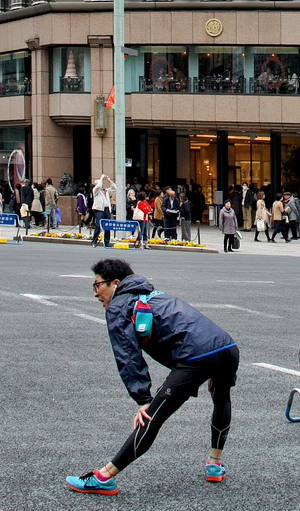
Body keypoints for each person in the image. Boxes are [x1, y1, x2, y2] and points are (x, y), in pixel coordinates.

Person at [66, 259, 239, 495]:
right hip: (226, 347)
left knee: (151, 416)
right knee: (221, 398)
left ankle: (104, 477)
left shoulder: (119, 306)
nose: (95, 294)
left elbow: (128, 356)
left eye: (97, 286)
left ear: (115, 284)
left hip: (197, 356)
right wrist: (212, 365)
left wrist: (142, 399)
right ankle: (214, 464)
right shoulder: (153, 293)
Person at [92, 174, 115, 248]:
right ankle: (94, 241)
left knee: (107, 226)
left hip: (106, 209)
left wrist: (109, 180)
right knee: (98, 225)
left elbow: (115, 188)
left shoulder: (106, 191)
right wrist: (101, 178)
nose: (101, 184)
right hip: (99, 209)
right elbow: (98, 186)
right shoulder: (95, 191)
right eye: (100, 183)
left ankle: (107, 242)